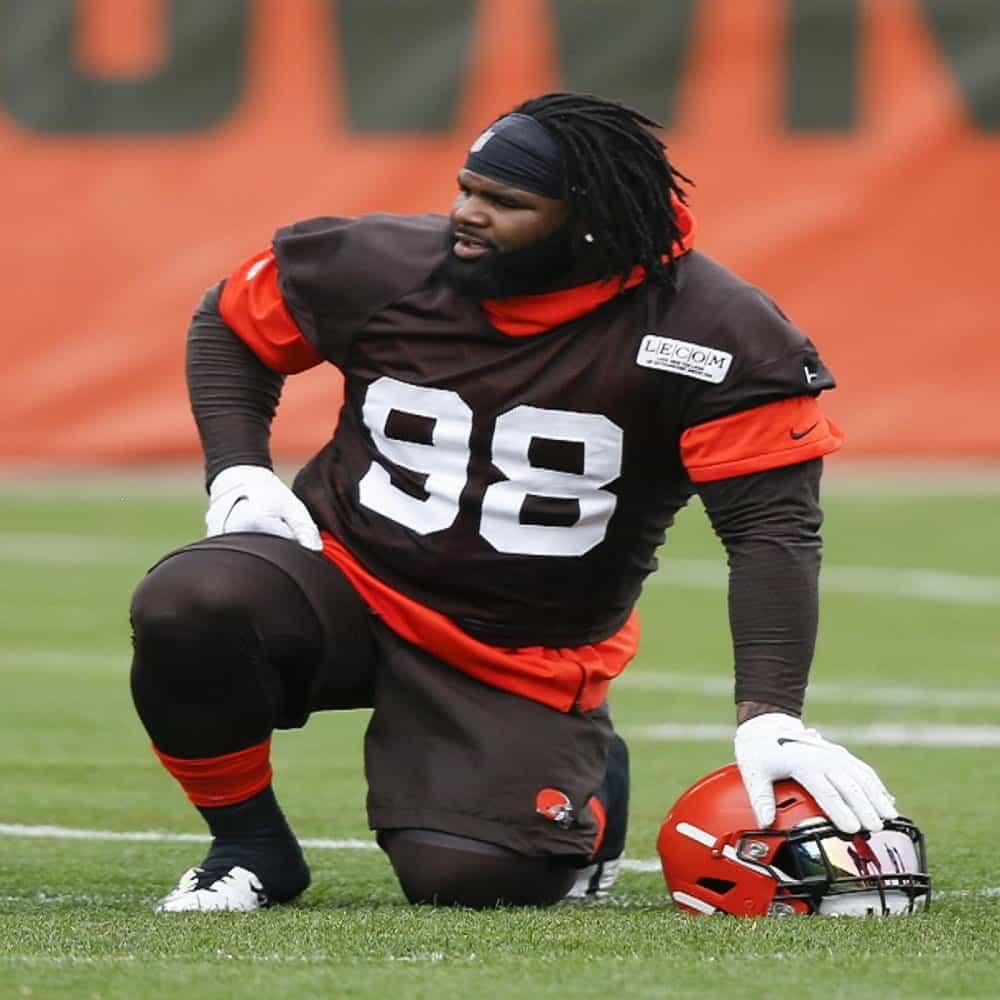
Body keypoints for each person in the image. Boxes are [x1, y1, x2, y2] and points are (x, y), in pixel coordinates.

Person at [129, 91, 898, 913]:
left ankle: (589, 775)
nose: (466, 214)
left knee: (475, 883)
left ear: (589, 220)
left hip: (519, 647)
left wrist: (769, 713)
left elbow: (769, 532)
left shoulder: (716, 332)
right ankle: (249, 846)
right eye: (466, 187)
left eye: (505, 202)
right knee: (192, 604)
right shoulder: (383, 265)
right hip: (348, 578)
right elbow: (231, 324)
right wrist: (238, 469)